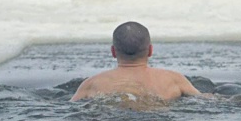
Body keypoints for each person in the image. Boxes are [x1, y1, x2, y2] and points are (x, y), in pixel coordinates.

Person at [70, 21, 202, 101]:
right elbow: (204, 100)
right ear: (150, 50)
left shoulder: (92, 83)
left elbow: (71, 106)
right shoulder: (174, 79)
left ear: (113, 52)